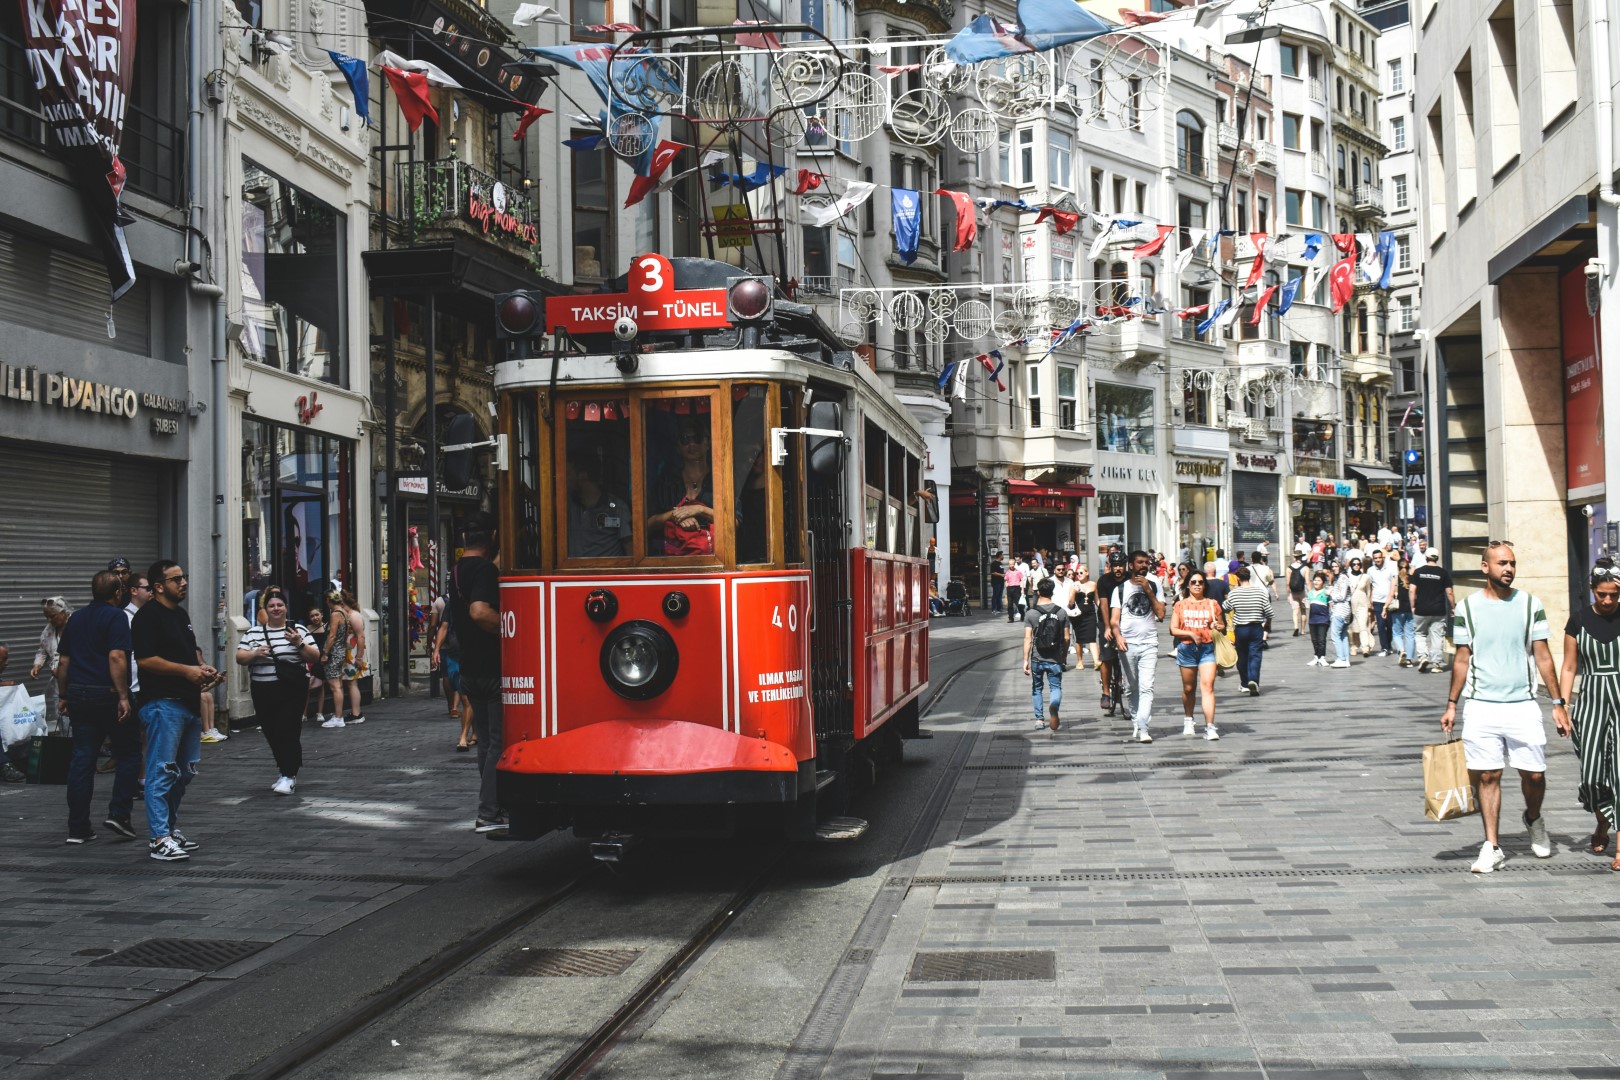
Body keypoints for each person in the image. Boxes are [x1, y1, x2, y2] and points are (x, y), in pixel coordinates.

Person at [1441, 541, 1567, 874]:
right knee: (1487, 775)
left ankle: (1533, 818)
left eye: (1512, 563)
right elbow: (1462, 658)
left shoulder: (1530, 604)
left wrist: (1557, 703)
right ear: (1485, 567)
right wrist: (1452, 704)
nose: (1509, 569)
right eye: (1502, 563)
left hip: (1522, 704)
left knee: (1534, 774)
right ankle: (1492, 846)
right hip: (1481, 705)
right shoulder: (1467, 608)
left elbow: (1542, 655)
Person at [132, 560, 218, 863]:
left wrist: (202, 669)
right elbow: (145, 660)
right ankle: (159, 838)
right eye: (176, 579)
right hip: (162, 704)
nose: (184, 583)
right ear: (158, 586)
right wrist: (186, 672)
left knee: (185, 771)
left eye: (184, 577)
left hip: (188, 703)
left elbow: (190, 654)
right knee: (162, 771)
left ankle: (168, 828)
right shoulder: (147, 617)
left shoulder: (180, 615)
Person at [55, 571, 139, 844]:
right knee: (129, 753)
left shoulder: (76, 618)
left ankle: (78, 828)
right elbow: (116, 656)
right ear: (118, 593)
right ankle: (119, 814)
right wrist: (123, 696)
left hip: (79, 693)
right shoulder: (116, 617)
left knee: (82, 759)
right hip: (107, 693)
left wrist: (63, 695)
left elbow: (64, 661)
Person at [1559, 560, 1620, 870]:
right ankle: (1603, 821)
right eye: (1602, 594)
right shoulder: (1578, 621)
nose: (1608, 600)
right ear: (1592, 590)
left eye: (1614, 595)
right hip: (1591, 703)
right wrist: (1561, 705)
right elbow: (1570, 667)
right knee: (1593, 776)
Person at [450, 512, 507, 833]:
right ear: (494, 536)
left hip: (469, 669)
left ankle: (493, 806)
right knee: (499, 742)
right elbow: (479, 610)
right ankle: (489, 811)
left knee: (484, 740)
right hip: (491, 667)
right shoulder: (486, 570)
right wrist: (511, 629)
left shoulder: (458, 570)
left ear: (464, 538)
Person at [234, 586, 319, 795]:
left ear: (286, 607)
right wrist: (255, 653)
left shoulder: (298, 630)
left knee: (287, 730)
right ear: (265, 609)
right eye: (271, 606)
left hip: (291, 689)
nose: (276, 609)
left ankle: (289, 775)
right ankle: (284, 771)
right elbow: (240, 657)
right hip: (262, 688)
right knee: (271, 730)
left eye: (279, 605)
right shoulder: (253, 633)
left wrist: (299, 643)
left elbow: (315, 656)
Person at [1111, 549, 1165, 743]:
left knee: (1147, 687)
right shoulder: (1120, 589)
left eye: (1146, 562)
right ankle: (1136, 720)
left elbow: (1161, 614)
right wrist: (1118, 636)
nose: (1144, 565)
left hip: (1149, 643)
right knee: (1130, 687)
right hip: (1128, 644)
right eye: (1140, 562)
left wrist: (1148, 591)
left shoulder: (1154, 585)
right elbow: (1114, 620)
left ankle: (1143, 728)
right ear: (1131, 565)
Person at [647, 419, 716, 555]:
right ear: (678, 447)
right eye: (685, 439)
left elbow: (734, 522)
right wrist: (674, 516)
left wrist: (700, 510)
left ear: (708, 443)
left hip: (715, 559)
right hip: (672, 560)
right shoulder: (666, 482)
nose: (692, 444)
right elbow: (646, 525)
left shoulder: (720, 479)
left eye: (697, 438)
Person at [1170, 570, 1223, 740]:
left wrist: (1218, 626)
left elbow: (1222, 625)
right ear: (1188, 585)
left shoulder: (1212, 604)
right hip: (1187, 649)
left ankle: (1210, 727)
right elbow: (1173, 629)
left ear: (1205, 585)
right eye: (1193, 582)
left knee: (1208, 686)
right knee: (1189, 688)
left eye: (1200, 582)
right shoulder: (1180, 605)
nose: (1197, 585)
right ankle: (1188, 719)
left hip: (1207, 649)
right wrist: (1190, 634)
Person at [1023, 577, 1069, 733]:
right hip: (1054, 658)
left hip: (1037, 658)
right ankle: (1054, 705)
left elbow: (1028, 639)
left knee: (1037, 688)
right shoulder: (1061, 612)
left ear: (1038, 592)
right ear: (1052, 591)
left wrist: (1025, 660)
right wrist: (1063, 655)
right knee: (1055, 687)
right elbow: (1067, 638)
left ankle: (1039, 720)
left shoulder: (1031, 613)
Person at [1223, 566, 1274, 696]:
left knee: (1242, 656)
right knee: (1255, 655)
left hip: (1241, 628)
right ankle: (1254, 680)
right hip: (1256, 627)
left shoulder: (1234, 593)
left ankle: (1245, 683)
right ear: (1249, 577)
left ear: (1238, 579)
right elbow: (1269, 612)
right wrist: (1267, 623)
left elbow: (1225, 607)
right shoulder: (1260, 592)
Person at [320, 589, 367, 727]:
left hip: (351, 653)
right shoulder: (346, 614)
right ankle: (352, 713)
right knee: (345, 684)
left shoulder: (351, 615)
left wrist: (359, 657)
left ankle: (356, 714)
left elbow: (360, 636)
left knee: (351, 683)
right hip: (346, 652)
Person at [567, 459, 633, 557]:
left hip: (608, 567)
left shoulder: (617, 507)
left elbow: (630, 548)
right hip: (573, 567)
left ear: (583, 476)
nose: (565, 479)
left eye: (568, 474)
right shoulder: (567, 506)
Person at [432, 596, 473, 752]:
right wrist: (436, 650)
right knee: (465, 696)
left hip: (471, 655)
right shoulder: (452, 603)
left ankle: (463, 737)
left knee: (466, 697)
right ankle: (475, 733)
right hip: (454, 655)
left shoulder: (477, 601)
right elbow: (443, 626)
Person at [1410, 549, 1456, 673]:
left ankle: (1423, 656)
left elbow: (1412, 590)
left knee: (1420, 634)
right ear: (1437, 558)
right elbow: (1449, 592)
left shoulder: (1418, 572)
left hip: (1421, 609)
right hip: (1438, 610)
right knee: (1437, 636)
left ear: (1426, 557)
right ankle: (1436, 664)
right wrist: (1453, 607)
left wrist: (1413, 606)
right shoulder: (1443, 573)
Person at [1095, 553, 1128, 715]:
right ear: (1110, 566)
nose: (1118, 569)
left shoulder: (1130, 578)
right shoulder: (1104, 580)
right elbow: (1103, 604)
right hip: (1106, 619)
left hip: (1126, 621)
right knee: (1107, 656)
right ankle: (1106, 692)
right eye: (1115, 566)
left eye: (1121, 565)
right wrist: (1107, 627)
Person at [31, 596, 69, 731]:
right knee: (62, 714)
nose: (49, 620)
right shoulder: (49, 630)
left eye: (52, 616)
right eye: (46, 617)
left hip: (76, 681)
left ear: (63, 612)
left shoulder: (76, 626)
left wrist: (64, 669)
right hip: (58, 683)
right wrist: (37, 665)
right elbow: (43, 651)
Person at [1367, 548, 1399, 656]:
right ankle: (1384, 648)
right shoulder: (1370, 570)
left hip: (1389, 601)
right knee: (1380, 625)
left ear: (1383, 558)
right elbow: (1370, 586)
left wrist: (1394, 595)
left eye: (1379, 558)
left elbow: (1394, 584)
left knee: (1390, 625)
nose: (1377, 560)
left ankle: (1389, 645)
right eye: (1375, 558)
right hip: (1377, 600)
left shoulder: (1390, 568)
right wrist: (1370, 599)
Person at [302, 606, 331, 725]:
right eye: (312, 616)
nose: (315, 618)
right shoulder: (307, 629)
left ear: (322, 615)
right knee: (307, 687)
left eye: (317, 615)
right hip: (310, 659)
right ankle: (304, 713)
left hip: (321, 659)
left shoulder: (326, 627)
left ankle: (320, 712)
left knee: (320, 686)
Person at [1070, 564, 1100, 671]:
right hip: (1078, 615)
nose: (1079, 575)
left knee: (1092, 637)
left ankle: (1096, 661)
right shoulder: (1074, 585)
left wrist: (1103, 610)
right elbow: (1070, 603)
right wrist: (1074, 592)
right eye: (1077, 573)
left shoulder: (1093, 584)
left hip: (1090, 614)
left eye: (1081, 572)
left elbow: (1097, 600)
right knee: (1079, 639)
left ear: (1087, 573)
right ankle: (1079, 661)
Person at [1344, 556, 1375, 657]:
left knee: (1363, 626)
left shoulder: (1365, 577)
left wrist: (1369, 604)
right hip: (1350, 605)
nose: (1356, 566)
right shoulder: (1347, 577)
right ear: (1351, 565)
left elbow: (1369, 591)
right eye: (1354, 564)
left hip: (1363, 604)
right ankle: (1353, 646)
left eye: (1358, 564)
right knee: (1352, 628)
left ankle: (1365, 647)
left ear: (1361, 565)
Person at [1388, 555, 1417, 667]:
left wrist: (1385, 608)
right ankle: (1409, 659)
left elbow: (1391, 594)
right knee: (1410, 634)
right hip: (1410, 609)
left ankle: (1401, 650)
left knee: (1397, 633)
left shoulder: (1395, 579)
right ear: (1408, 567)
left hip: (1398, 609)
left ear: (1397, 568)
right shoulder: (1412, 578)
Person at [1327, 563, 1354, 668]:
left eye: (1336, 566)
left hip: (1340, 609)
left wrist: (1330, 593)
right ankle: (1346, 659)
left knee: (1335, 635)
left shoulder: (1342, 578)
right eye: (1332, 567)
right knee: (1343, 635)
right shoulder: (1339, 578)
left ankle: (1341, 658)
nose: (1334, 568)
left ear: (1340, 567)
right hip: (1343, 609)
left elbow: (1341, 596)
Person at [1305, 571, 1332, 666]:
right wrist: (1305, 603)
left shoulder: (1326, 592)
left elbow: (1331, 605)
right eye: (1315, 580)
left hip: (1323, 619)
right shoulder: (1310, 593)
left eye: (1318, 580)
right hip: (1312, 620)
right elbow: (1308, 605)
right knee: (1314, 640)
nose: (1316, 582)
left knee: (1321, 639)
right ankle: (1316, 657)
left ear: (1323, 582)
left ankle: (1322, 658)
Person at [1286, 552, 1309, 637]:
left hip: (1293, 592)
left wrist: (1288, 593)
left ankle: (1296, 627)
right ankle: (1303, 630)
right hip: (1302, 592)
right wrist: (1310, 593)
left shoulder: (1289, 568)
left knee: (1295, 611)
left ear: (1294, 557)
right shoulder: (1305, 568)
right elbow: (1307, 582)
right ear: (1301, 557)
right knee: (1303, 611)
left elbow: (1288, 583)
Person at [1004, 558, 1026, 623]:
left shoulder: (1018, 572)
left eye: (1013, 564)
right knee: (1010, 604)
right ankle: (1011, 618)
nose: (1012, 566)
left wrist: (1022, 589)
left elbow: (1021, 580)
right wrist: (1006, 588)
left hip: (1017, 588)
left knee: (1018, 604)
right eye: (1010, 564)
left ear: (1014, 564)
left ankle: (1022, 614)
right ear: (1008, 565)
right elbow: (1006, 581)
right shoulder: (1007, 573)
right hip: (1010, 588)